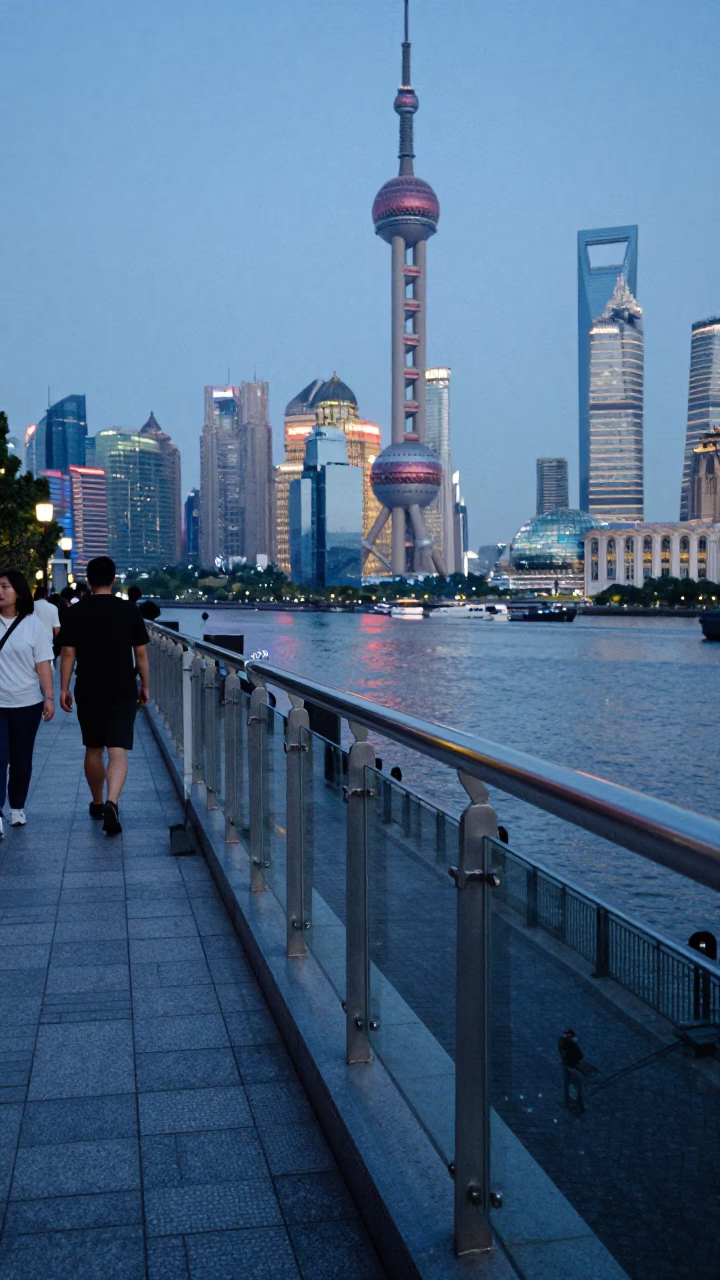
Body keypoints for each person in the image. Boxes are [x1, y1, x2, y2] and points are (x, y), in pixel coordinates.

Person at [59, 555, 150, 836]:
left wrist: (63, 688)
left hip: (88, 687)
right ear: (114, 579)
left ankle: (98, 803)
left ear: (88, 579)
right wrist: (145, 684)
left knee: (94, 749)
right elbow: (141, 653)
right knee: (118, 750)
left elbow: (68, 653)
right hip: (122, 686)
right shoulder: (129, 610)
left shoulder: (74, 612)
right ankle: (113, 801)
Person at [0, 569, 55, 836]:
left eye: (5, 587)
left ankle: (17, 807)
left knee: (21, 761)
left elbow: (42, 664)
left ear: (19, 591)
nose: (0, 592)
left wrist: (49, 697)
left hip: (27, 704)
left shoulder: (33, 625)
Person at [558, 1029, 585, 1113]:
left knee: (568, 1084)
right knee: (576, 1086)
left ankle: (570, 1103)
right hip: (572, 1066)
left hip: (567, 1065)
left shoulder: (562, 1044)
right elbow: (580, 1056)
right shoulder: (573, 1047)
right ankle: (578, 1105)